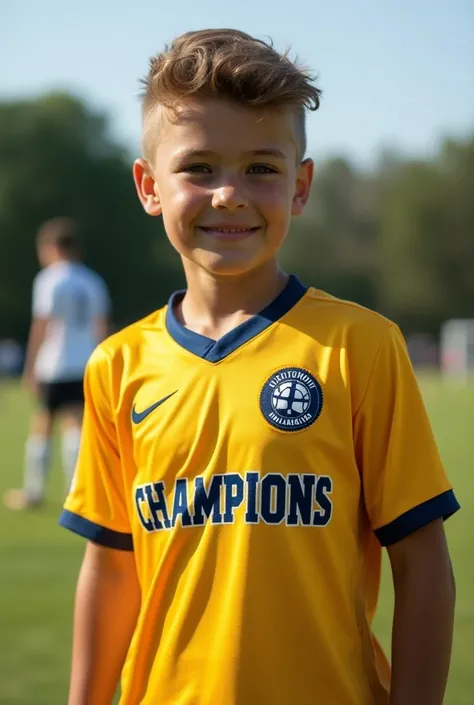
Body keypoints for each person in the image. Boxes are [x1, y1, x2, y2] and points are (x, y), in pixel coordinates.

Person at [59, 29, 459, 705]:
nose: (229, 195)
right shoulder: (118, 364)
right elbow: (111, 563)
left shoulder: (359, 346)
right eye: (200, 168)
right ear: (149, 185)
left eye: (261, 169)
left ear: (300, 186)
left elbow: (422, 563)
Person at [4, 217, 110, 510]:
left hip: (54, 362)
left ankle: (34, 491)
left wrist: (30, 365)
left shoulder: (50, 279)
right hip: (85, 361)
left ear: (50, 247)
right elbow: (102, 327)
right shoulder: (92, 281)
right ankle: (75, 489)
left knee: (43, 424)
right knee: (76, 425)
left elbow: (42, 325)